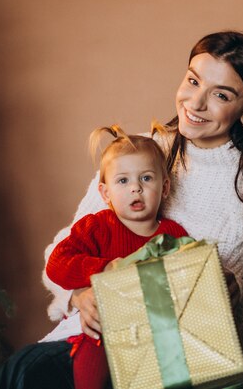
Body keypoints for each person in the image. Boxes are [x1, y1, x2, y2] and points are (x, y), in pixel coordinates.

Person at [0, 31, 243, 389]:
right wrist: (80, 295)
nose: (196, 102)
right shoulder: (140, 156)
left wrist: (236, 294)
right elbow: (61, 252)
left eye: (221, 94)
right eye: (193, 80)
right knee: (28, 374)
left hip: (183, 363)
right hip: (97, 344)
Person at [45, 123, 190, 389]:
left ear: (165, 187)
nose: (135, 188)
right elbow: (57, 264)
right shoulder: (97, 226)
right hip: (103, 328)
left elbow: (189, 277)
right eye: (123, 181)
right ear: (105, 192)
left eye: (146, 178)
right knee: (95, 350)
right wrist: (103, 269)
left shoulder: (173, 234)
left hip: (155, 330)